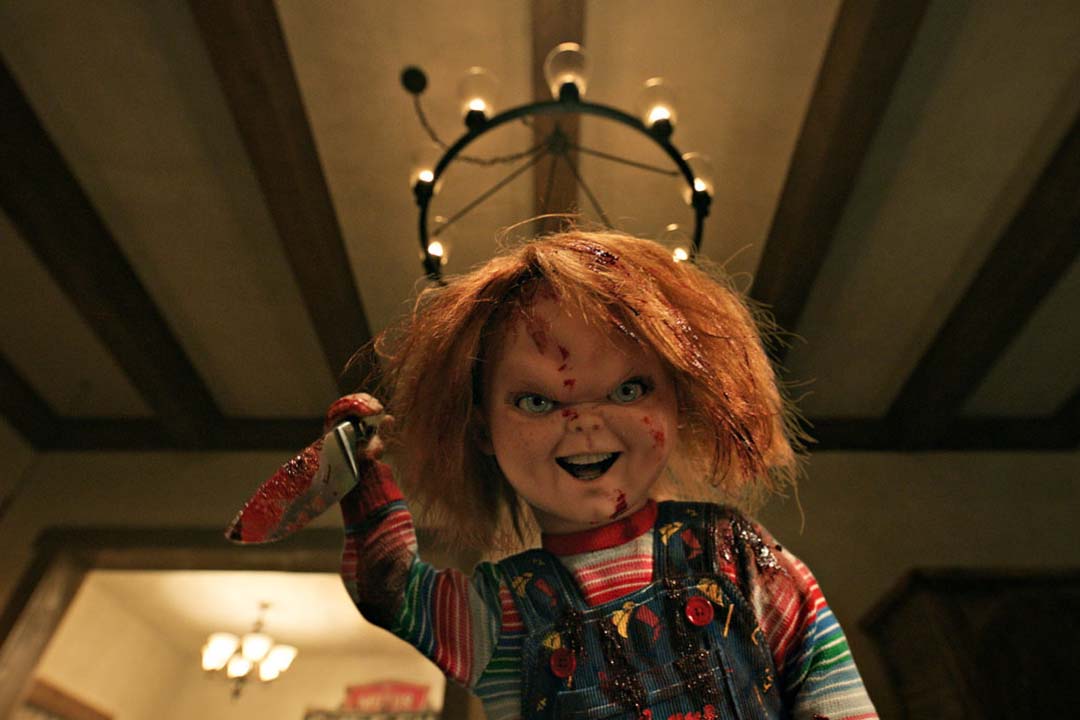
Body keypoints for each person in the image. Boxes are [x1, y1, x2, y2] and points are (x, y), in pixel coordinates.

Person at [315, 230, 876, 718]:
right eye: (536, 401)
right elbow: (387, 587)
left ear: (678, 399)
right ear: (482, 431)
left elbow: (830, 686)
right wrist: (358, 476)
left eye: (629, 389)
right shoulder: (497, 615)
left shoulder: (735, 551)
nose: (584, 423)